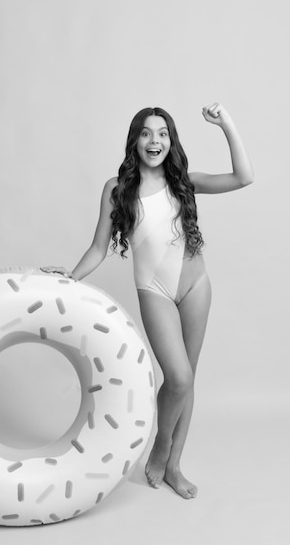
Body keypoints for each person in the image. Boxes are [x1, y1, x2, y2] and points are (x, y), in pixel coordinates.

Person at [41, 103, 253, 499]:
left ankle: (173, 465)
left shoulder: (183, 182)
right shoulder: (117, 189)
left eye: (162, 134)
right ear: (135, 139)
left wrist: (227, 124)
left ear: (171, 142)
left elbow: (244, 177)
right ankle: (161, 445)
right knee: (179, 377)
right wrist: (69, 278)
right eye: (146, 133)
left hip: (196, 287)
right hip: (154, 290)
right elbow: (98, 248)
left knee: (189, 380)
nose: (154, 141)